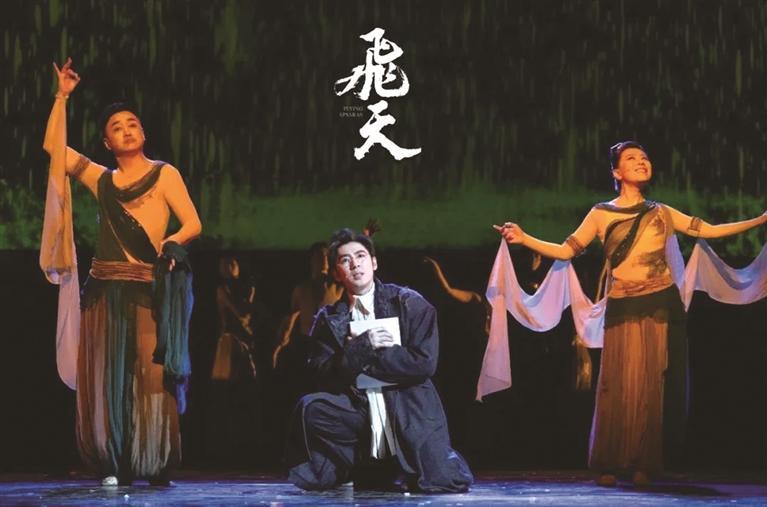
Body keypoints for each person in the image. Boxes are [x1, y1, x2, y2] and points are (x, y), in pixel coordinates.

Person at [495, 141, 766, 487]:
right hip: (623, 303)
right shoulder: (601, 213)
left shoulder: (662, 212)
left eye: (645, 157)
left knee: (650, 386)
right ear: (616, 172)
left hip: (659, 302)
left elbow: (708, 230)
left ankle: (644, 463)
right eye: (631, 158)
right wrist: (524, 238)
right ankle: (610, 460)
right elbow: (566, 251)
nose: (641, 162)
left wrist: (761, 219)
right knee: (618, 384)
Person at [41, 58, 202, 486]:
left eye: (132, 124)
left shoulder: (165, 175)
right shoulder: (102, 179)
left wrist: (171, 244)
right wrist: (62, 97)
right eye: (117, 127)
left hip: (146, 288)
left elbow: (192, 224)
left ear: (143, 133)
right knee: (107, 378)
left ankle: (154, 459)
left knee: (151, 376)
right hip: (103, 292)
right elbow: (54, 148)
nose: (127, 130)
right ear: (107, 142)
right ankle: (112, 462)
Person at [284, 228, 473, 492]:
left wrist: (370, 355)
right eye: (345, 260)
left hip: (407, 404)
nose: (355, 264)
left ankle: (402, 463)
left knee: (441, 479)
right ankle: (354, 465)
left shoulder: (408, 303)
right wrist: (362, 346)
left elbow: (424, 362)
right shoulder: (329, 319)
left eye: (360, 256)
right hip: (359, 407)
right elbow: (322, 374)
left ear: (374, 263)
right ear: (337, 272)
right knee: (311, 408)